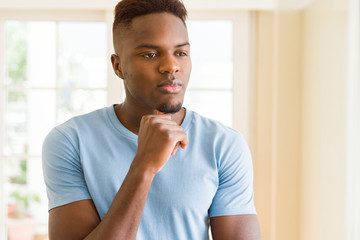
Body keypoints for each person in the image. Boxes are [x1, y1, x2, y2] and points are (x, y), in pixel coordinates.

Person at [42, 0, 261, 239]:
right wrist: (144, 167)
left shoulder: (224, 145)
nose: (171, 66)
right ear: (118, 66)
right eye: (150, 54)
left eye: (181, 52)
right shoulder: (70, 141)